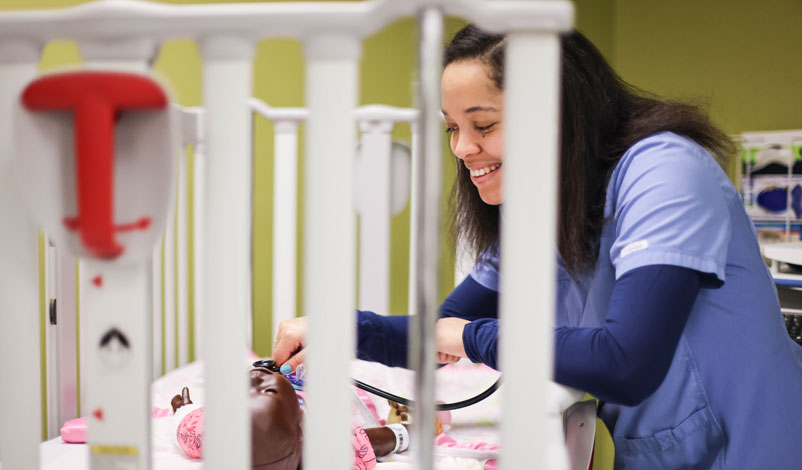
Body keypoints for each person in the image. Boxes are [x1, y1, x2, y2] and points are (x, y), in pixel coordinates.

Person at [273, 24, 802, 469]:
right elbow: (443, 330)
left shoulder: (665, 172)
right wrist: (349, 331)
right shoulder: (538, 208)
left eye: (483, 124)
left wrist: (466, 336)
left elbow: (626, 363)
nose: (462, 148)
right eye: (453, 128)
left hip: (757, 448)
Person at [168, 365, 410, 469]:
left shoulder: (206, 434)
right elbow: (389, 437)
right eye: (268, 391)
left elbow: (187, 424)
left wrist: (184, 409)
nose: (252, 378)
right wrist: (409, 429)